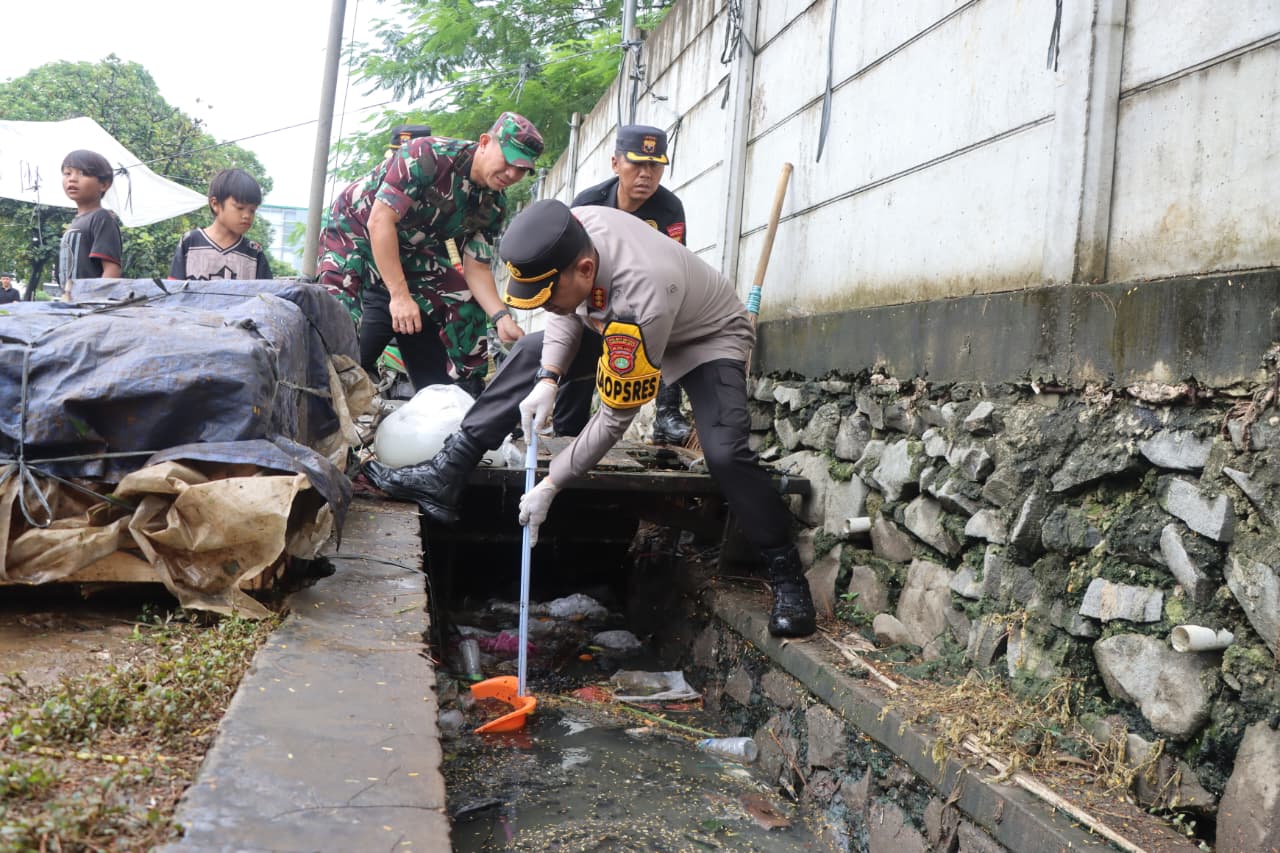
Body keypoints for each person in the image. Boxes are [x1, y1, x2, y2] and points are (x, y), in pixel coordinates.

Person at [402, 199, 817, 638]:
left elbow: (616, 415)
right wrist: (548, 376)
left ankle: (788, 577)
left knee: (725, 453)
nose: (549, 304)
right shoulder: (570, 233)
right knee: (529, 352)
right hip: (619, 322)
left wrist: (553, 482)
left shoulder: (644, 292)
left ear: (584, 270)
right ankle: (447, 472)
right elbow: (565, 311)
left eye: (552, 292)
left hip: (703, 339)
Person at [316, 112, 543, 393]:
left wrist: (501, 318)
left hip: (411, 247)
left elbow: (477, 268)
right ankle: (322, 396)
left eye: (522, 169)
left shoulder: (493, 205)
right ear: (485, 142)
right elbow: (380, 221)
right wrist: (399, 297)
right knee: (338, 319)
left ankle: (470, 396)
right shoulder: (427, 155)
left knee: (465, 303)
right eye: (508, 161)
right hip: (354, 231)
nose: (512, 173)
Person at [565, 124, 692, 444]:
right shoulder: (588, 203)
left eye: (655, 165)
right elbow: (567, 269)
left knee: (672, 317)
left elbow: (674, 269)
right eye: (637, 163)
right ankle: (567, 429)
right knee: (575, 342)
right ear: (615, 163)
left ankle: (667, 412)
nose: (646, 174)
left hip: (641, 306)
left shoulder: (669, 209)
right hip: (591, 302)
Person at [169, 169, 271, 280]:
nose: (247, 215)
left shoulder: (254, 252)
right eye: (240, 208)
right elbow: (174, 289)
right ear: (215, 204)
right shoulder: (189, 242)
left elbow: (266, 294)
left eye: (252, 210)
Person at [58, 150, 122, 286]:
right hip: (70, 301)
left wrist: (97, 302)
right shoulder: (76, 221)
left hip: (89, 304)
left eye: (82, 173)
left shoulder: (101, 218)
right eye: (67, 173)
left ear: (104, 185)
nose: (72, 179)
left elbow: (111, 270)